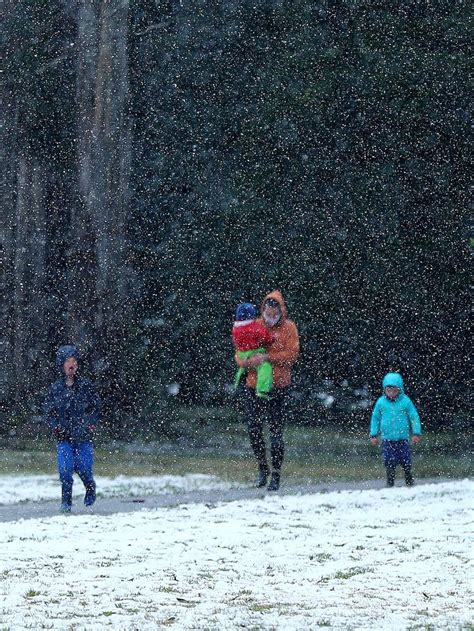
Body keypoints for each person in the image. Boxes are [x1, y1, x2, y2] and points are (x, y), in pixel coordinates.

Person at [235, 290, 300, 491]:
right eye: (267, 312)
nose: (270, 317)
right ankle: (262, 468)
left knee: (276, 433)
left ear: (281, 311)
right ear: (262, 310)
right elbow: (239, 353)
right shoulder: (253, 325)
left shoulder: (289, 328)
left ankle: (276, 475)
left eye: (274, 313)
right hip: (253, 386)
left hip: (279, 387)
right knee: (254, 429)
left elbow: (291, 356)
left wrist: (268, 358)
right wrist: (248, 362)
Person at [44, 345, 101, 512]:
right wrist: (56, 428)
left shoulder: (86, 386)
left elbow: (96, 408)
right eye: (68, 361)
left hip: (83, 438)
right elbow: (49, 412)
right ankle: (66, 502)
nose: (71, 365)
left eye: (74, 361)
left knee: (84, 469)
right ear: (61, 365)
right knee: (65, 471)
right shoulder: (55, 389)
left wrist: (90, 424)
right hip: (64, 438)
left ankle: (90, 487)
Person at [369, 372, 422, 487]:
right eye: (389, 390)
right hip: (387, 439)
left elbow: (414, 417)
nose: (391, 393)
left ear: (400, 389)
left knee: (406, 461)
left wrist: (416, 432)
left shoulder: (405, 401)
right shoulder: (381, 402)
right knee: (389, 462)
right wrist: (373, 434)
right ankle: (390, 481)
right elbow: (375, 418)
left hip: (403, 438)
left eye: (394, 390)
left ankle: (409, 479)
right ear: (385, 390)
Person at [233, 302, 274, 399]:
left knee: (243, 366)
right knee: (265, 367)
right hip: (253, 351)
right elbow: (265, 336)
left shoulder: (235, 328)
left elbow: (236, 343)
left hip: (241, 352)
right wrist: (271, 339)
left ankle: (237, 382)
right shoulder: (255, 327)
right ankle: (262, 389)